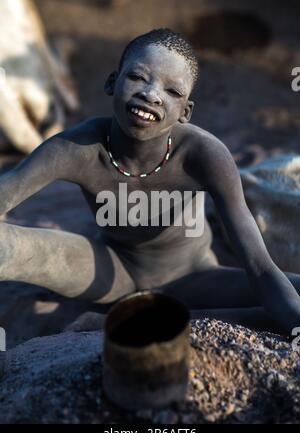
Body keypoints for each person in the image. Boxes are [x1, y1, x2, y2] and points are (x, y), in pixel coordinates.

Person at [0, 28, 300, 334]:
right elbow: (7, 190)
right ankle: (147, 321)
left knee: (291, 300)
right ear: (112, 82)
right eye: (138, 77)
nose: (151, 94)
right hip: (106, 269)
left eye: (172, 92)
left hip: (194, 275)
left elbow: (260, 265)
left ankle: (121, 324)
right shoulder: (75, 148)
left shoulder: (205, 155)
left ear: (186, 112)